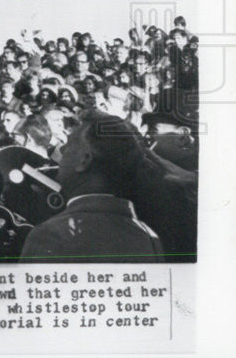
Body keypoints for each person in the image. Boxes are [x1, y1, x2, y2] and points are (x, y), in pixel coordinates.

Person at [20, 113, 164, 263]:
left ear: (84, 160)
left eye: (68, 146)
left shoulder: (48, 235)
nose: (61, 151)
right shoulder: (149, 237)